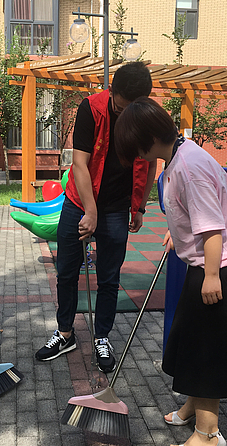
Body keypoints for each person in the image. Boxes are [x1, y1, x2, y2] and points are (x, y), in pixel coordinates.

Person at [115, 97, 227, 446]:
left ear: (150, 138)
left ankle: (208, 434)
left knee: (206, 352)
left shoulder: (188, 167)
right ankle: (193, 407)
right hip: (207, 263)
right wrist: (179, 231)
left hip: (218, 269)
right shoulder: (180, 154)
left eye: (135, 147)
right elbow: (193, 211)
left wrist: (211, 276)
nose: (135, 155)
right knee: (193, 342)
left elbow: (211, 228)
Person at [35, 62, 157, 373]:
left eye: (133, 108)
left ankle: (102, 336)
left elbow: (151, 162)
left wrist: (140, 206)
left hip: (116, 208)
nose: (126, 114)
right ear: (112, 91)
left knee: (109, 278)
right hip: (79, 202)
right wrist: (90, 210)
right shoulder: (90, 108)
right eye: (122, 107)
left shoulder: (145, 116)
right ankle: (65, 334)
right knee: (67, 272)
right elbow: (80, 163)